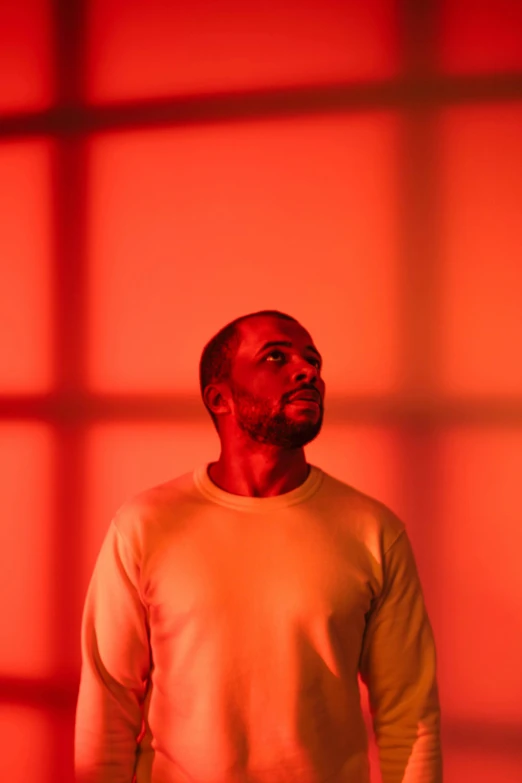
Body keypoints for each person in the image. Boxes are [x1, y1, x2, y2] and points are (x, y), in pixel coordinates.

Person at [74, 309, 442, 783]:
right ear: (219, 397)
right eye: (275, 357)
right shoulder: (145, 525)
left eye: (314, 361)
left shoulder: (374, 530)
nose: (308, 371)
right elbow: (108, 701)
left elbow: (409, 714)